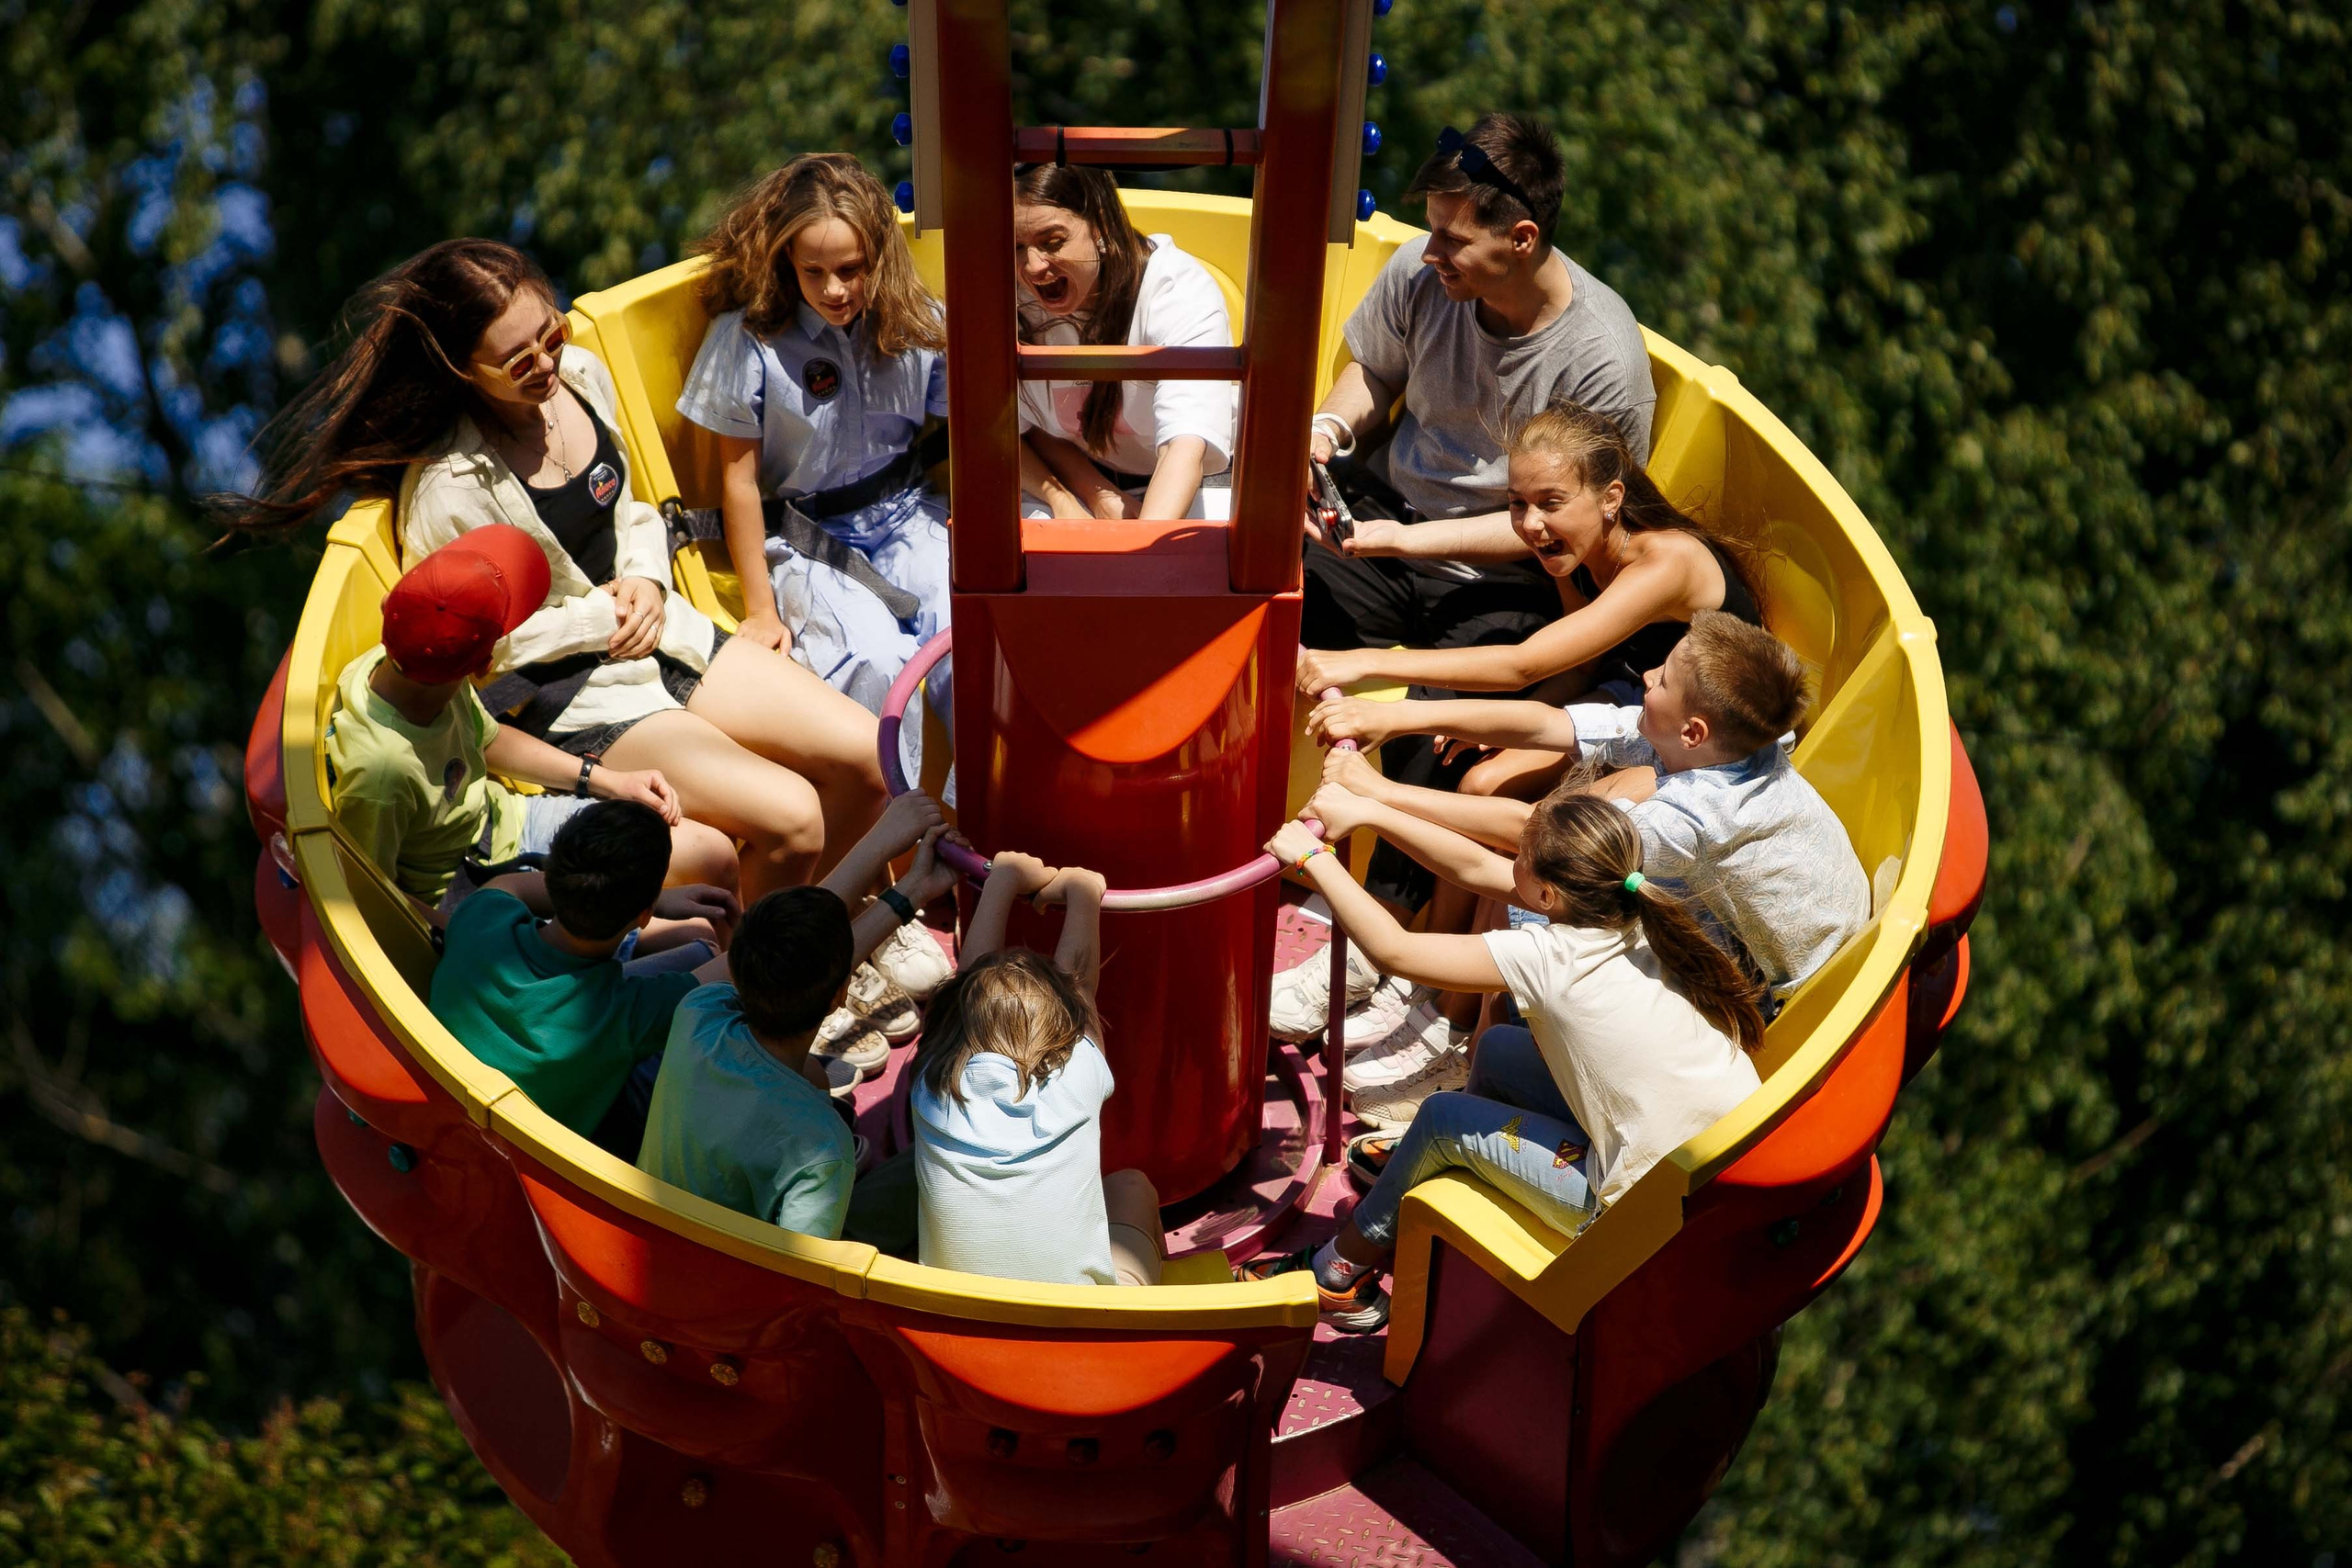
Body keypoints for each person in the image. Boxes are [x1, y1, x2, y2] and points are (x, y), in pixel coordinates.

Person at [222, 238, 888, 907]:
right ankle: (771, 990)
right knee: (793, 818)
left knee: (867, 759)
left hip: (661, 633)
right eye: (517, 361)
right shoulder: (448, 490)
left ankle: (820, 942)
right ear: (464, 369)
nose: (545, 364)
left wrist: (648, 582)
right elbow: (478, 651)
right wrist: (601, 616)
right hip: (576, 693)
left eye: (552, 335)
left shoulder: (584, 377)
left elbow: (630, 507)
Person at [1247, 793, 1765, 1332]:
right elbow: (1472, 866)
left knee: (1442, 1117)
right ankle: (1423, 1165)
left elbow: (1395, 951)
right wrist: (1370, 811)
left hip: (1635, 1212)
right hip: (1715, 1165)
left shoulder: (1550, 957)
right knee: (1498, 1049)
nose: (1507, 859)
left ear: (1546, 892)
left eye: (1518, 853)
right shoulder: (1632, 910)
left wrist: (1314, 860)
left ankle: (1339, 1275)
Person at [1306, 611, 1872, 1010]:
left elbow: (1535, 833)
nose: (1646, 677)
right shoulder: (1739, 742)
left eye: (1662, 679)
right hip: (1773, 935)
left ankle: (1462, 1040)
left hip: (1776, 990)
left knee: (1550, 899)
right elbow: (1549, 726)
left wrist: (1379, 793)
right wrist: (1396, 718)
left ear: (1693, 731)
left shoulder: (1693, 819)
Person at [1299, 113, 1656, 662]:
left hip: (1504, 578)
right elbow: (1376, 369)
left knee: (1447, 744)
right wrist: (1326, 429)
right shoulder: (1420, 277)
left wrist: (1408, 540)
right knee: (1261, 612)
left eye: (1453, 238)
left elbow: (1571, 525)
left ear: (1521, 238)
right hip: (1383, 525)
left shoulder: (1601, 361)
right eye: (1431, 229)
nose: (1428, 252)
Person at [674, 154, 955, 795]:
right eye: (815, 272)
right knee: (877, 657)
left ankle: (981, 815)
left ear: (879, 259)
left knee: (961, 632)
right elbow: (739, 483)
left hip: (907, 513)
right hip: (809, 537)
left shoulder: (916, 323)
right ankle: (902, 834)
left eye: (851, 271)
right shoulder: (751, 340)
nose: (835, 290)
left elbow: (959, 433)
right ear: (787, 265)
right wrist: (761, 610)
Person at [323, 525, 739, 919]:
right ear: (483, 666)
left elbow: (486, 740)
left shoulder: (416, 659)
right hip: (469, 897)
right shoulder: (379, 774)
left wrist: (609, 781)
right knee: (693, 932)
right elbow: (372, 895)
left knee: (713, 854)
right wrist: (477, 937)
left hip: (507, 821)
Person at [636, 803, 967, 1238]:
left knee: (814, 1081)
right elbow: (803, 1273)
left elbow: (806, 968)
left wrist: (910, 892)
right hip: (733, 1280)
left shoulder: (698, 1014)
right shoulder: (820, 1146)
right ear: (839, 996)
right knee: (923, 1167)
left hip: (651, 1232)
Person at [429, 798, 742, 1160]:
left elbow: (509, 885)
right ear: (643, 916)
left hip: (461, 1127)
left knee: (697, 949)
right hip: (549, 1155)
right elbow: (736, 968)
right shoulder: (625, 1016)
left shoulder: (480, 917)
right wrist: (653, 902)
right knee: (704, 960)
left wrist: (652, 902)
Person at [910, 852, 1165, 1287]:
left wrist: (1002, 878)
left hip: (959, 1326)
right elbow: (1080, 983)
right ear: (1066, 1028)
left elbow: (968, 982)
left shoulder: (931, 1084)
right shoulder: (1076, 1081)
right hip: (1079, 1331)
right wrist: (1084, 891)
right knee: (1131, 1188)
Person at [1012, 164, 1238, 523]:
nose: (1033, 266)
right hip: (1083, 484)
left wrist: (1136, 554)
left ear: (1100, 224)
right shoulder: (1012, 301)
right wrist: (1089, 496)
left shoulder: (1174, 291)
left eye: (1053, 242)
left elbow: (1185, 446)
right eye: (1016, 247)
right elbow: (1020, 427)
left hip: (1200, 481)